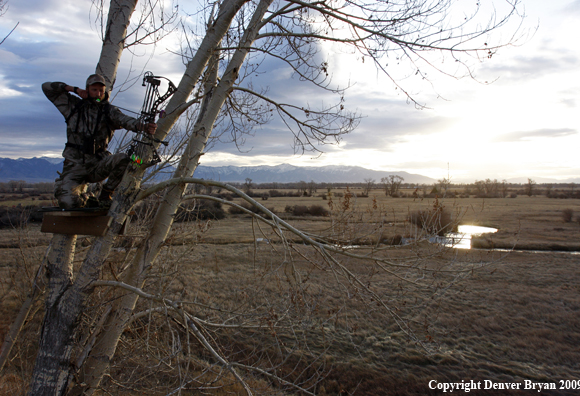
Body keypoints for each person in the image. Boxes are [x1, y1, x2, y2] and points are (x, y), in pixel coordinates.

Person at [42, 74, 156, 209]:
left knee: (125, 159)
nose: (98, 93)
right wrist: (75, 90)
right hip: (74, 167)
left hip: (98, 165)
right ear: (87, 90)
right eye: (94, 90)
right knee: (68, 203)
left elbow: (125, 120)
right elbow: (47, 87)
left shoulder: (109, 111)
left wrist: (143, 126)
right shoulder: (73, 105)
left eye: (101, 90)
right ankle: (86, 198)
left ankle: (105, 194)